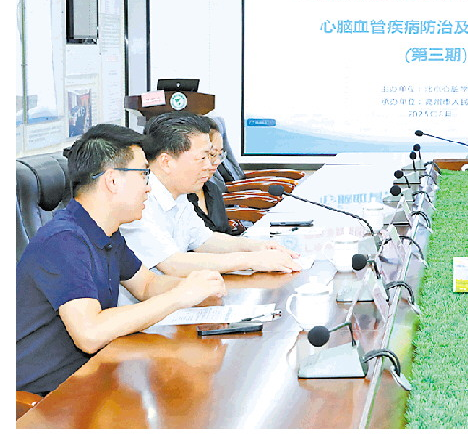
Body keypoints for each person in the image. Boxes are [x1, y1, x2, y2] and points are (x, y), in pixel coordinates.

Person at [17, 124, 227, 395]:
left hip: (93, 376)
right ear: (113, 181)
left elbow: (147, 285)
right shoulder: (63, 241)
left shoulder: (105, 232)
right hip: (44, 400)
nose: (149, 188)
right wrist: (180, 296)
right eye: (143, 175)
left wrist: (197, 285)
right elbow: (90, 333)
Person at [120, 111, 301, 276]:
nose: (209, 166)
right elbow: (172, 263)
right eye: (202, 157)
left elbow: (205, 240)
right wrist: (251, 260)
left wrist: (257, 247)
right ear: (166, 162)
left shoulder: (178, 194)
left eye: (211, 156)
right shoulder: (137, 201)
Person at [187, 118, 236, 234]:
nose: (218, 162)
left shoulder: (213, 189)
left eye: (220, 155)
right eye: (212, 154)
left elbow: (224, 233)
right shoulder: (180, 195)